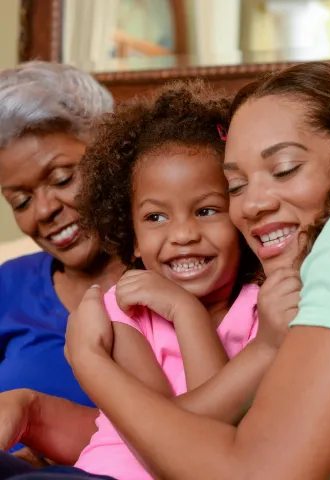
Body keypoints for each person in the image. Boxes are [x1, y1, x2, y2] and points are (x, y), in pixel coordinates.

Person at [58, 61, 330, 480]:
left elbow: (255, 470)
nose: (252, 204)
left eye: (284, 169)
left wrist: (91, 362)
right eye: (237, 186)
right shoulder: (302, 289)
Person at [0, 83, 298, 479]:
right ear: (132, 237)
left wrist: (187, 312)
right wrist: (192, 313)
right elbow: (160, 430)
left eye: (207, 210)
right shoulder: (124, 312)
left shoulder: (264, 308)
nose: (183, 234)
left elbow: (197, 440)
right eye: (156, 218)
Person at [0, 61, 124, 461]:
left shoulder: (181, 269)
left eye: (62, 179)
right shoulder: (8, 286)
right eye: (20, 200)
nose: (44, 211)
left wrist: (42, 447)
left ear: (112, 153)